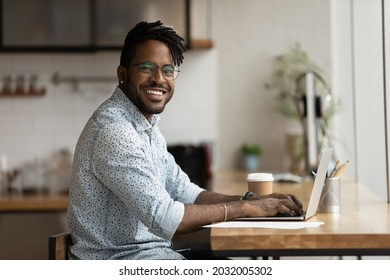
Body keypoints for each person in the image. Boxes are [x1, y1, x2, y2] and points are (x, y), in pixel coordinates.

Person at [67, 20, 303, 260]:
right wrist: (247, 208)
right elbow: (167, 218)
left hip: (152, 256)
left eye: (168, 70)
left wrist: (252, 201)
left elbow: (183, 191)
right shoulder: (115, 131)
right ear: (123, 74)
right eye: (147, 67)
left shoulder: (146, 128)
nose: (159, 79)